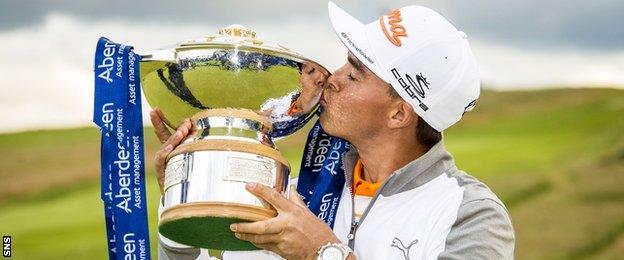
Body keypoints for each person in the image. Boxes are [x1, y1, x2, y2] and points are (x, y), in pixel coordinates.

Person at [153, 2, 515, 259]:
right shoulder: (294, 192)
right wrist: (183, 200)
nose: (333, 79)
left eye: (354, 73)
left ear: (398, 114)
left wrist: (322, 254)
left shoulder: (471, 215)